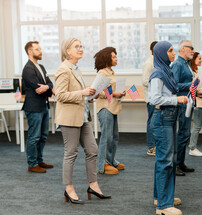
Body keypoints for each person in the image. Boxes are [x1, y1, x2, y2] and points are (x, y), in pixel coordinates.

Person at [55, 38, 110, 204]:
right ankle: (68, 188)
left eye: (81, 46)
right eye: (76, 46)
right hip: (69, 118)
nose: (80, 49)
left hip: (83, 117)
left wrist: (92, 95)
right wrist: (82, 93)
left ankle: (93, 185)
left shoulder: (76, 69)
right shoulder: (64, 70)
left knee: (92, 150)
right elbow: (60, 95)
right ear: (67, 51)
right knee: (71, 153)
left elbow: (80, 94)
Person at [149, 41, 188, 215]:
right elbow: (155, 99)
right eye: (170, 51)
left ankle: (161, 197)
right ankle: (164, 205)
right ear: (162, 54)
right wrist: (176, 100)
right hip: (162, 119)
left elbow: (174, 88)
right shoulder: (158, 73)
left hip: (168, 118)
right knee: (166, 161)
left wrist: (191, 89)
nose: (174, 53)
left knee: (164, 160)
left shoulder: (167, 71)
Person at [171, 40, 202, 176]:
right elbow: (175, 86)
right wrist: (191, 85)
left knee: (185, 134)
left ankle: (181, 163)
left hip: (188, 102)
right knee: (182, 134)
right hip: (181, 103)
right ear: (183, 49)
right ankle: (176, 165)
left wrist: (195, 90)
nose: (192, 51)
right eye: (191, 48)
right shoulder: (178, 64)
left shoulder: (186, 65)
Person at [22, 41, 54, 173]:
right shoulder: (28, 69)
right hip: (34, 107)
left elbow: (50, 84)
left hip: (43, 106)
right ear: (30, 52)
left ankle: (39, 160)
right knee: (34, 137)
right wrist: (48, 88)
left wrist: (47, 86)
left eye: (40, 49)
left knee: (43, 135)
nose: (40, 51)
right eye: (37, 49)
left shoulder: (41, 66)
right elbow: (38, 89)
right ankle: (32, 163)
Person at [94, 47, 126, 175]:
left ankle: (111, 160)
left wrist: (120, 93)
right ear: (107, 59)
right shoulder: (102, 73)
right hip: (105, 108)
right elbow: (97, 92)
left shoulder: (111, 72)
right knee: (106, 138)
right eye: (113, 57)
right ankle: (102, 165)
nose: (116, 59)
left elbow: (109, 89)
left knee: (114, 137)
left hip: (113, 107)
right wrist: (114, 94)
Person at [142, 41, 158, 157]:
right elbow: (145, 81)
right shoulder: (149, 63)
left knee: (156, 122)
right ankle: (151, 147)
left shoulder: (157, 61)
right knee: (152, 122)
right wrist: (158, 82)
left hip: (157, 97)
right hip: (151, 97)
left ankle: (155, 145)